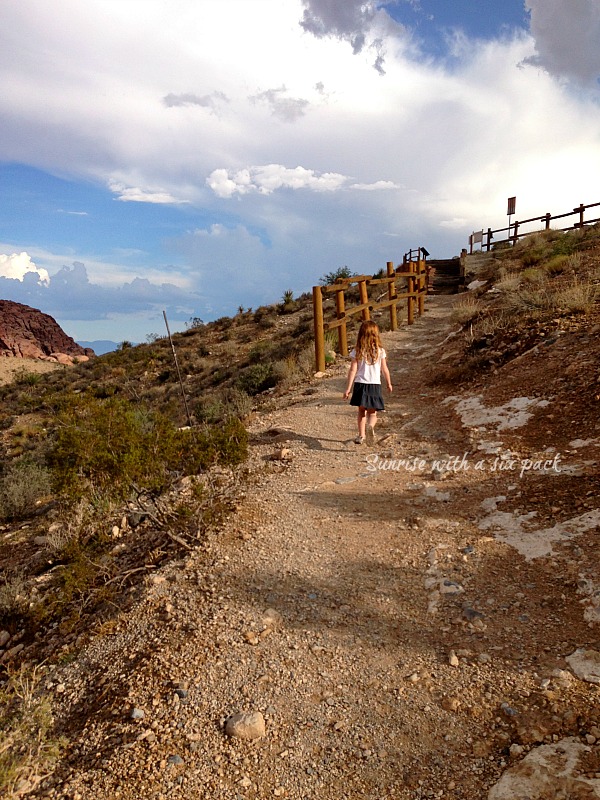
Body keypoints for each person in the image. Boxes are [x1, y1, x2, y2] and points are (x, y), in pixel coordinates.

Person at [343, 320, 392, 445]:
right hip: (375, 385)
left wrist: (348, 389)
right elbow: (384, 369)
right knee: (372, 412)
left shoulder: (358, 351)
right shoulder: (380, 351)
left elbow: (353, 370)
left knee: (361, 411)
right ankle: (370, 426)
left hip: (360, 385)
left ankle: (361, 435)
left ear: (361, 334)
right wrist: (388, 383)